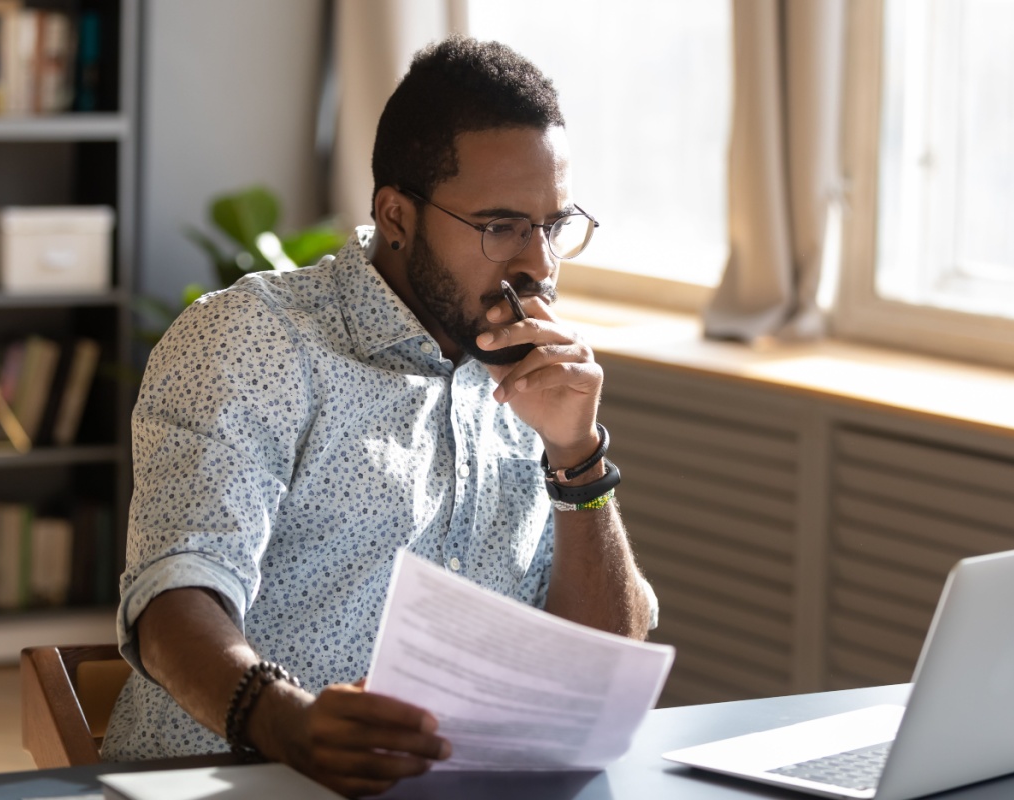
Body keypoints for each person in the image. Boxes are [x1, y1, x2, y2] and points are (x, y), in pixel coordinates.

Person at [101, 35, 657, 798]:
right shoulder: (254, 341)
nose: (539, 266)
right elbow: (174, 595)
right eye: (500, 227)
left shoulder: (535, 381)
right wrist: (284, 721)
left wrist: (577, 457)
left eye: (552, 226)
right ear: (396, 215)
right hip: (227, 783)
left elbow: (599, 671)